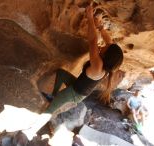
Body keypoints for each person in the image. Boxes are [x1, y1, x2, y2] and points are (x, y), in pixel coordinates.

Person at [23, 5, 124, 139]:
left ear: (107, 56)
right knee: (60, 73)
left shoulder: (98, 65)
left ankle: (28, 133)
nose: (104, 45)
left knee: (49, 111)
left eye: (105, 47)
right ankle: (53, 95)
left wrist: (89, 18)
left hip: (74, 94)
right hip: (79, 86)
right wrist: (100, 26)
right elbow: (109, 42)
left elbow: (93, 41)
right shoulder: (107, 64)